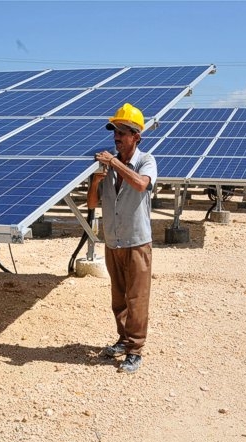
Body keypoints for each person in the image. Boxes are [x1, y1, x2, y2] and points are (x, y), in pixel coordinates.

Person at [87, 102, 157, 374]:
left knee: (137, 298)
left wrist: (114, 163)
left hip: (137, 242)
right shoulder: (106, 167)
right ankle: (123, 339)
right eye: (115, 131)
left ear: (136, 136)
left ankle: (135, 350)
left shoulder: (146, 160)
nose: (116, 136)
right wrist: (96, 179)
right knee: (119, 298)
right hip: (113, 242)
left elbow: (141, 184)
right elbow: (93, 203)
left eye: (123, 132)